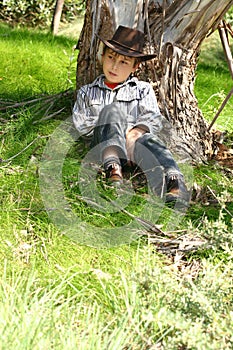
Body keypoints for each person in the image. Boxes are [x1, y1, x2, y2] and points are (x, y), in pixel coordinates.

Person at [72, 25, 189, 204]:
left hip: (135, 148)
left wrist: (135, 133)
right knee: (112, 110)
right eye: (111, 58)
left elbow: (152, 117)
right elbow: (82, 124)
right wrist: (118, 131)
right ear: (102, 57)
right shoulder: (87, 92)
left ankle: (174, 180)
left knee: (150, 140)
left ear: (135, 67)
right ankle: (113, 167)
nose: (114, 66)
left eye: (124, 62)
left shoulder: (142, 89)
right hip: (102, 148)